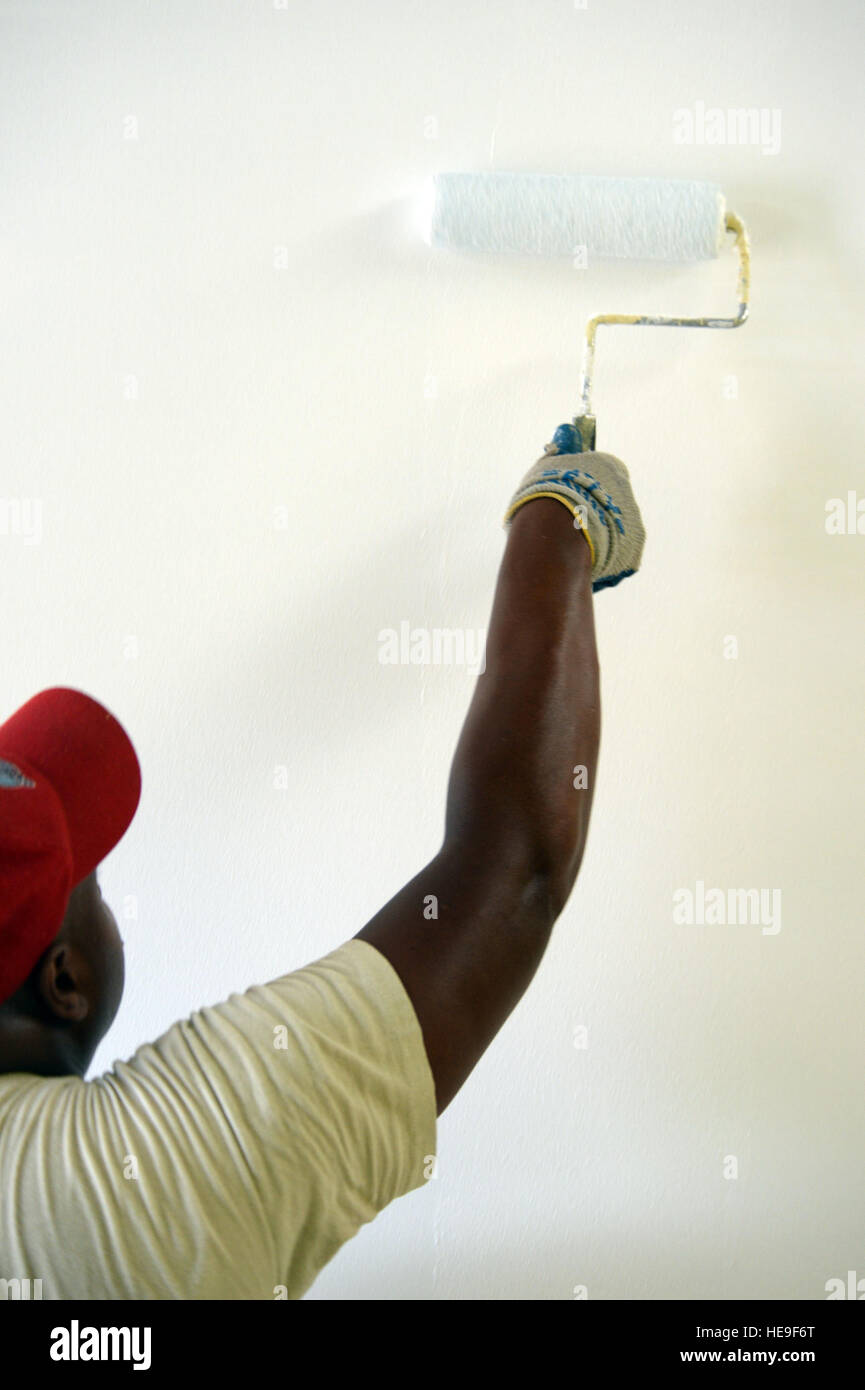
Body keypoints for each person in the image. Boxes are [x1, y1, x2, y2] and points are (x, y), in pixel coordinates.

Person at [0, 434, 644, 1299]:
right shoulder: (123, 1189)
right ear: (63, 979)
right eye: (97, 886)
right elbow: (513, 868)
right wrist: (559, 519)